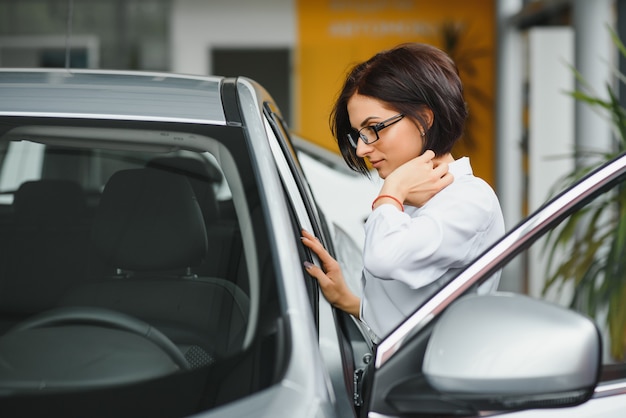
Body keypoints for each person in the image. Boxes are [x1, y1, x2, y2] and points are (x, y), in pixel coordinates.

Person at [301, 42, 505, 342]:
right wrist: (351, 301)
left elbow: (385, 259)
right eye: (358, 134)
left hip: (433, 385)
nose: (361, 148)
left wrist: (392, 190)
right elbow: (416, 316)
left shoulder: (470, 201)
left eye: (374, 128)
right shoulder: (414, 200)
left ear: (424, 118)